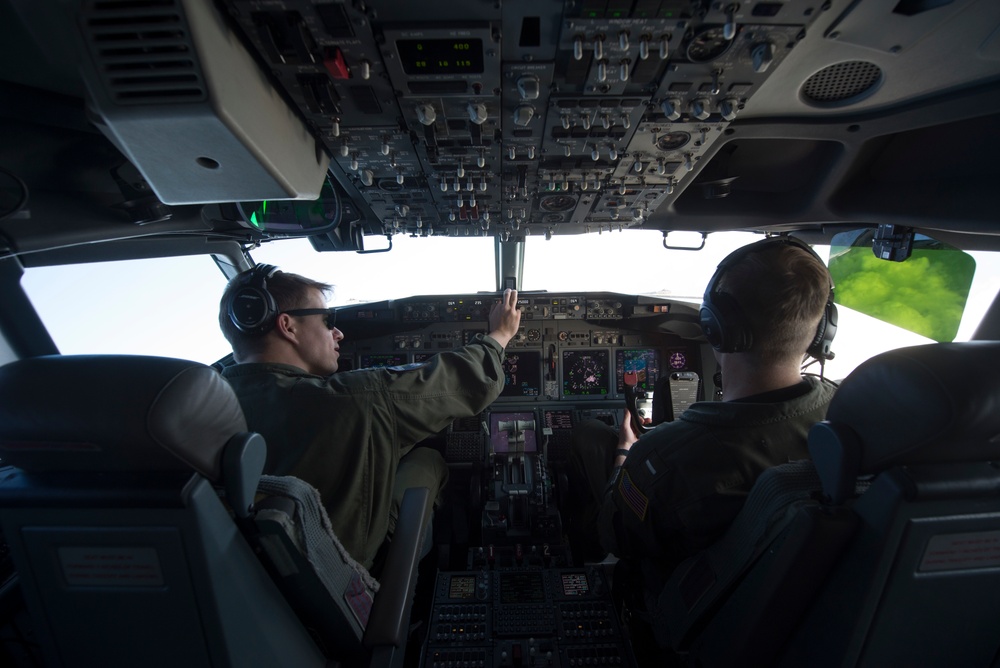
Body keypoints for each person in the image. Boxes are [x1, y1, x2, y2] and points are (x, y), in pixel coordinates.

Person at [565, 237, 838, 615]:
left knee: (590, 435)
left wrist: (627, 452)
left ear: (715, 327)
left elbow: (614, 535)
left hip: (684, 615)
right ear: (823, 328)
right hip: (792, 610)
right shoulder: (852, 415)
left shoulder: (664, 458)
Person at [218, 264, 521, 570]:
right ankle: (431, 574)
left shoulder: (202, 412)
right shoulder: (354, 399)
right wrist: (500, 335)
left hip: (263, 572)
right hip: (345, 571)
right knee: (429, 459)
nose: (338, 333)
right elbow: (464, 380)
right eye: (325, 321)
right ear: (288, 326)